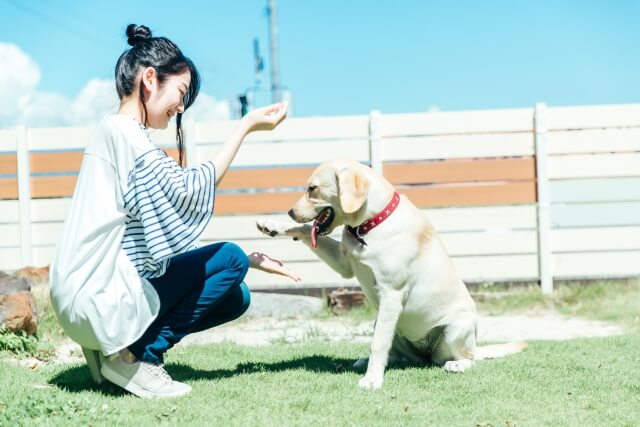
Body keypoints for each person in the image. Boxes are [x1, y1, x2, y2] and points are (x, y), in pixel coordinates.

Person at [49, 24, 299, 399]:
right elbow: (188, 190)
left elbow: (153, 233)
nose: (180, 107)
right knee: (228, 258)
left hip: (84, 293)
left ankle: (114, 348)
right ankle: (135, 358)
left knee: (236, 294)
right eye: (181, 93)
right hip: (96, 294)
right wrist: (245, 127)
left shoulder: (114, 133)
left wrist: (250, 260)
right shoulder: (126, 135)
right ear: (150, 79)